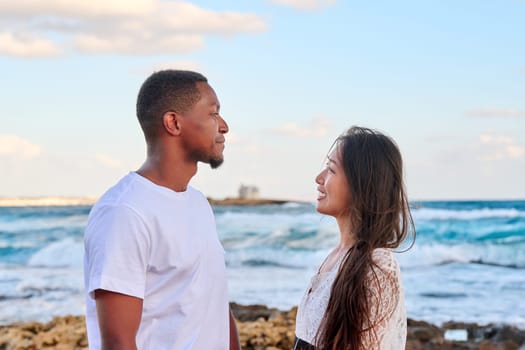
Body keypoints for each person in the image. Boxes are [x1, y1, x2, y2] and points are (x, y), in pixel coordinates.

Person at [83, 70, 240, 349]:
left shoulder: (198, 203)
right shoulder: (125, 212)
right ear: (173, 123)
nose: (224, 126)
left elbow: (213, 304)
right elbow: (118, 341)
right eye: (213, 114)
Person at [294, 126, 415, 349]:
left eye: (330, 169)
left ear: (360, 183)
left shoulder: (378, 265)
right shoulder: (338, 256)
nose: (319, 178)